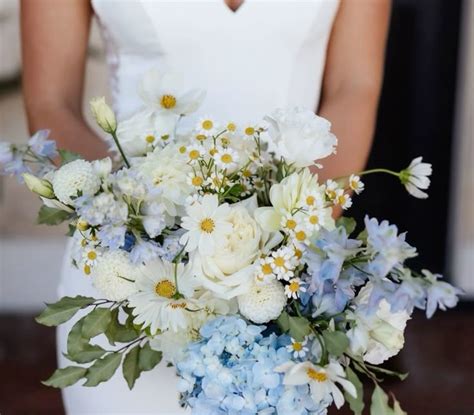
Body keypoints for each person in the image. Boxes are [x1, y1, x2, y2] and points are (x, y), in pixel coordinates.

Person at [21, 0, 391, 413]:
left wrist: (290, 237)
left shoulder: (285, 259)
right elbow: (51, 104)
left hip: (279, 279)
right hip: (130, 268)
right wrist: (142, 222)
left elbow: (354, 88)